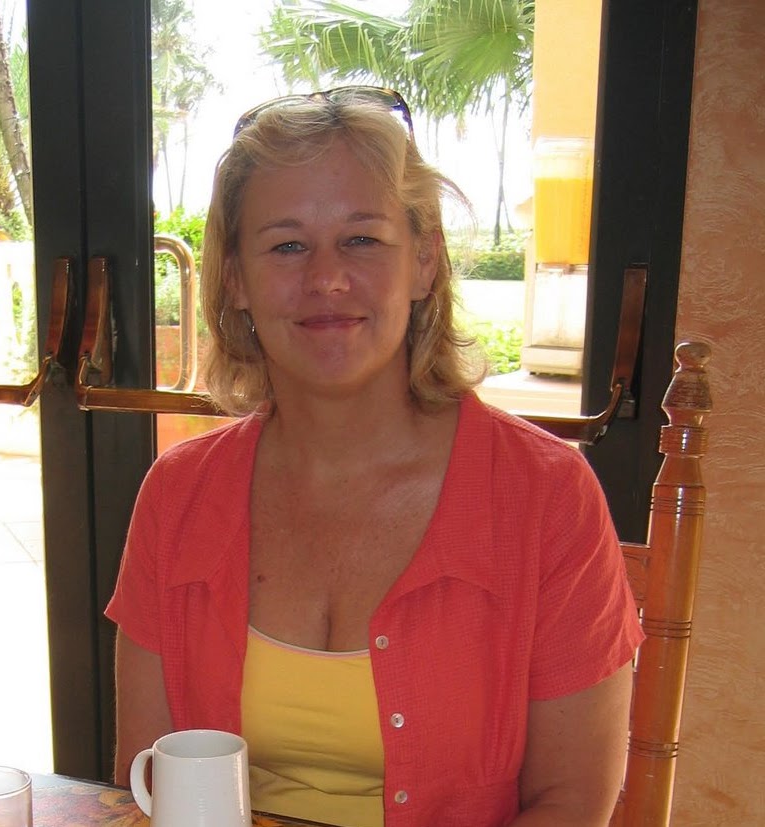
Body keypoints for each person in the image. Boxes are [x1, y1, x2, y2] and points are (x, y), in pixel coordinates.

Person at [106, 86, 644, 827]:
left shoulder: (548, 496)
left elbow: (572, 802)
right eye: (287, 244)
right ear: (235, 279)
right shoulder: (176, 496)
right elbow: (147, 780)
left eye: (362, 239)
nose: (327, 278)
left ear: (424, 261)